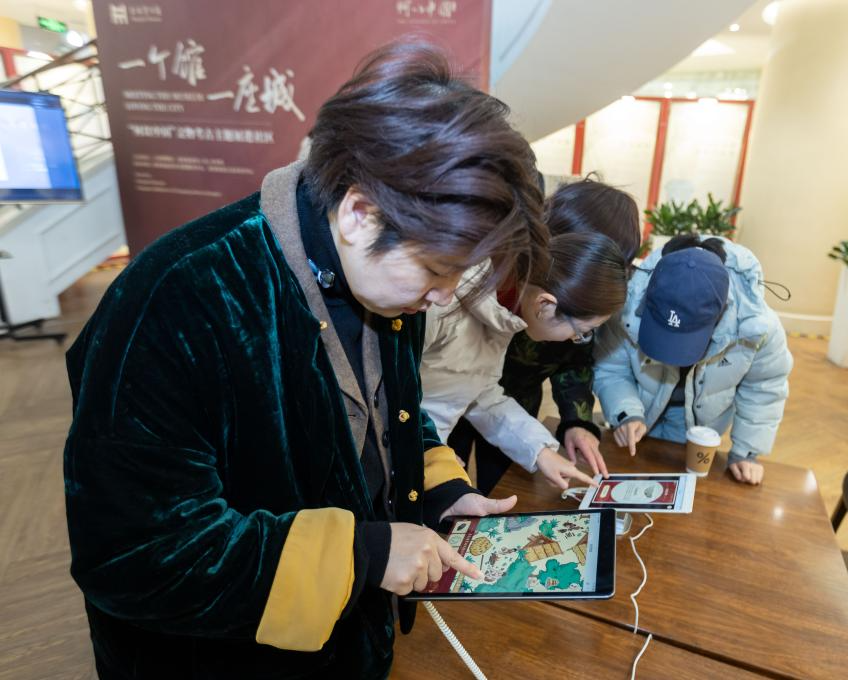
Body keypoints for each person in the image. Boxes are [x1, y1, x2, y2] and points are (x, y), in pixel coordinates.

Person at [62, 43, 547, 679]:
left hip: (348, 644)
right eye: (437, 270)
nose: (444, 295)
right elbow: (133, 554)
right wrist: (362, 556)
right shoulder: (178, 298)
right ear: (359, 213)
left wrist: (440, 491)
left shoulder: (384, 274)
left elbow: (390, 414)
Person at [445, 178, 641, 493]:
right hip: (442, 412)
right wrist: (430, 453)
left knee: (501, 487)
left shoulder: (571, 308)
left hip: (511, 409)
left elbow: (572, 362)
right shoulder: (467, 292)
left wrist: (574, 423)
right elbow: (431, 391)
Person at [594, 234, 793, 485]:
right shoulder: (627, 305)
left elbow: (764, 389)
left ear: (720, 315)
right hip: (637, 407)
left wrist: (746, 452)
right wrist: (626, 413)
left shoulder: (757, 328)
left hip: (697, 425)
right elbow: (611, 369)